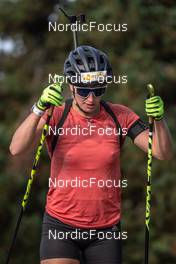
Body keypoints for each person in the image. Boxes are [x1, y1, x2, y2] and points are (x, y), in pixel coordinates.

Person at [9, 46, 173, 264]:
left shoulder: (120, 116)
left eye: (99, 89)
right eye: (84, 91)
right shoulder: (57, 115)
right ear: (71, 87)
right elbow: (16, 148)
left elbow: (162, 152)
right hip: (61, 224)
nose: (91, 98)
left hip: (106, 229)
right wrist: (39, 108)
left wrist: (159, 120)